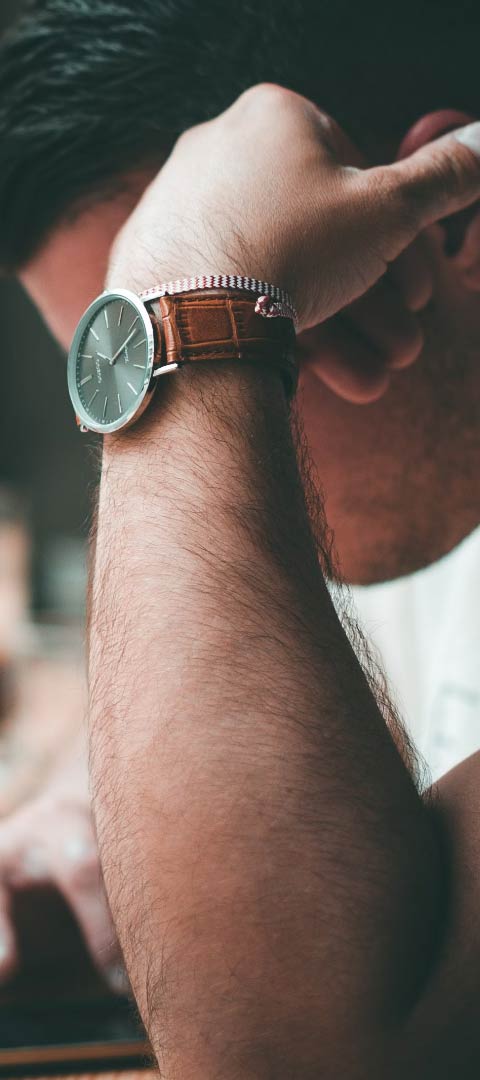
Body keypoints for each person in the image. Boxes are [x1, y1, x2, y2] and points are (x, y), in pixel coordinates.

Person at [0, 0, 479, 1063]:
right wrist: (86, 802)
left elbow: (300, 1055)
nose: (189, 455)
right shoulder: (393, 512)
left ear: (444, 221)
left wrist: (192, 292)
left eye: (258, 353)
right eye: (109, 377)